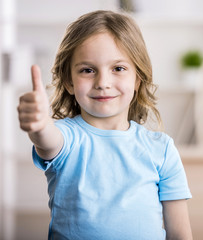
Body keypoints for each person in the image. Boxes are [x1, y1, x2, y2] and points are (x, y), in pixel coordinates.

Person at [17, 10, 192, 239]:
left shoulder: (163, 149)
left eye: (118, 68)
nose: (103, 83)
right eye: (88, 70)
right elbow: (47, 140)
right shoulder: (66, 138)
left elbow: (180, 233)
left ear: (137, 78)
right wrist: (39, 125)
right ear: (69, 82)